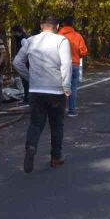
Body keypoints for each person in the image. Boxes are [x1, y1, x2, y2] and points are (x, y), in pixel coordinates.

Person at [13, 14, 71, 173]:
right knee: (57, 125)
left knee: (35, 124)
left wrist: (29, 77)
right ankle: (56, 158)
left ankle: (31, 147)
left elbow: (17, 62)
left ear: (41, 26)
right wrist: (66, 87)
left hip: (36, 90)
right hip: (56, 90)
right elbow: (66, 65)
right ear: (57, 27)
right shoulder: (61, 41)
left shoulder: (31, 41)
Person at [58, 16, 88, 117]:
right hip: (74, 64)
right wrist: (77, 55)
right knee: (73, 88)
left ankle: (59, 111)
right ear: (72, 24)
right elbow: (83, 51)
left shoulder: (58, 36)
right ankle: (72, 110)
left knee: (60, 88)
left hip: (60, 65)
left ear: (63, 24)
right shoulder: (77, 36)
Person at [10, 24, 30, 103]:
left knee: (26, 82)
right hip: (24, 63)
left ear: (17, 32)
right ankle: (26, 98)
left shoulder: (23, 40)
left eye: (13, 33)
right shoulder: (21, 39)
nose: (13, 35)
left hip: (25, 64)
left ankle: (27, 99)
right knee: (25, 82)